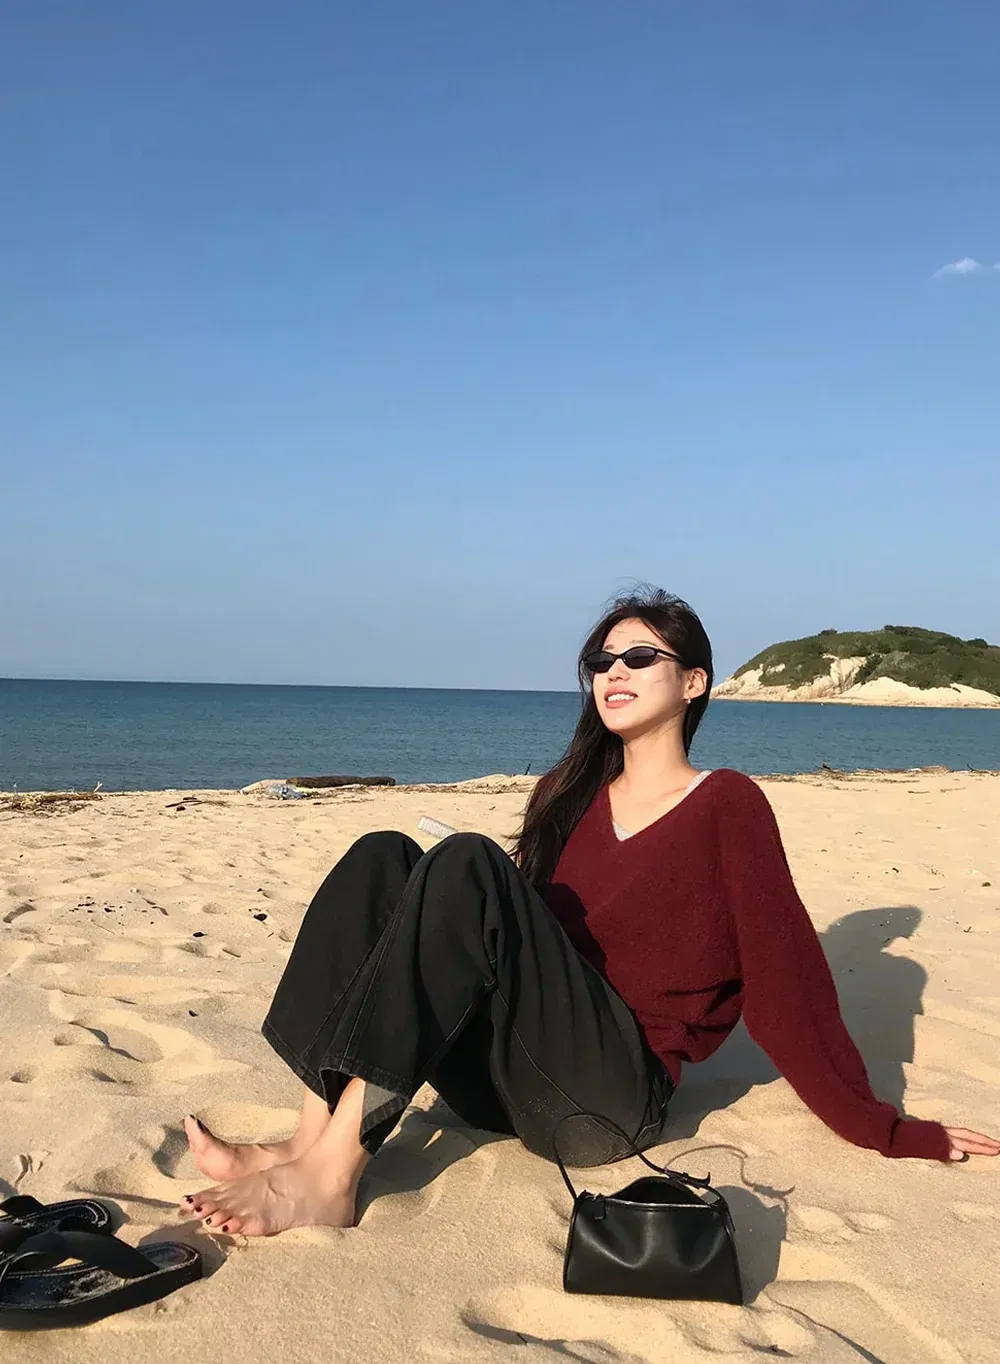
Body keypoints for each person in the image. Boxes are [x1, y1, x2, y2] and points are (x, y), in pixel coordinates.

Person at [180, 588, 999, 1236]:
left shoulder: (726, 804)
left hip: (606, 1102)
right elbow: (514, 946)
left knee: (465, 862)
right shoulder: (566, 795)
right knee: (382, 858)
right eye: (601, 660)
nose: (614, 672)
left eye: (640, 656)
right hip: (507, 1083)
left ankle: (331, 1178)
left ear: (694, 682)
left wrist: (886, 1129)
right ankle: (308, 1140)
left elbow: (788, 985)